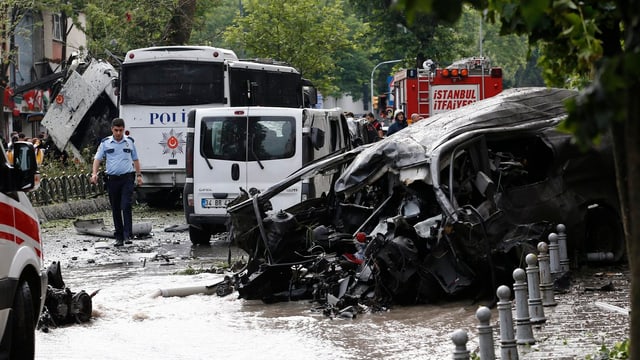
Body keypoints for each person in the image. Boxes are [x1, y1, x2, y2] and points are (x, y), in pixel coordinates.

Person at [90, 118, 143, 247]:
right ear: (112, 129)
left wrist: (139, 175)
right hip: (112, 180)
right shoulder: (105, 143)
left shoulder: (129, 142)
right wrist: (94, 173)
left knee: (126, 205)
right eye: (116, 130)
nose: (118, 133)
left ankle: (127, 235)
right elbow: (97, 159)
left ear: (124, 129)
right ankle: (119, 236)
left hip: (127, 179)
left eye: (120, 130)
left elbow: (135, 159)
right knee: (115, 208)